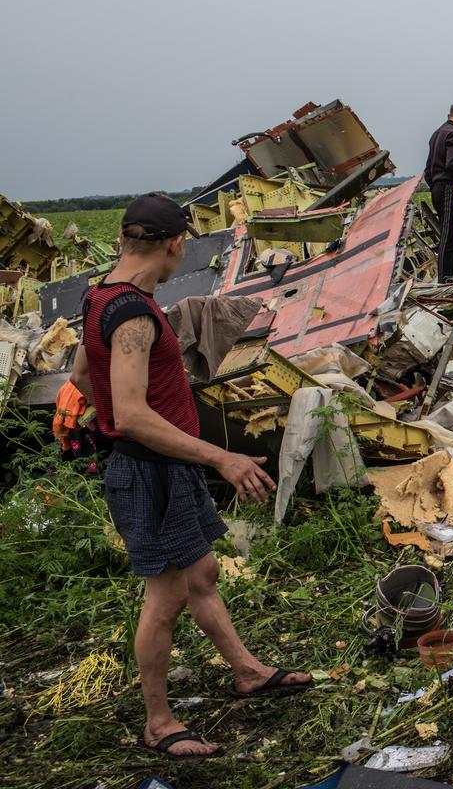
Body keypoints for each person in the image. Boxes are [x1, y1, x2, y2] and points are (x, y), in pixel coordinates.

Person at [69, 194, 311, 759]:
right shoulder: (131, 313)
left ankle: (247, 671)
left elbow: (82, 372)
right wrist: (218, 456)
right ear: (177, 244)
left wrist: (112, 421)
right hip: (152, 471)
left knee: (200, 571)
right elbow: (130, 414)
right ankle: (159, 722)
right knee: (167, 594)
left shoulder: (99, 293)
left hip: (159, 465)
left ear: (126, 240)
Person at [423, 102, 453, 282]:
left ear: (449, 114)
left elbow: (428, 169)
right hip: (449, 186)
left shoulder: (436, 134)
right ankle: (447, 276)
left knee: (447, 231)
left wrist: (435, 184)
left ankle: (451, 274)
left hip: (436, 186)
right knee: (449, 235)